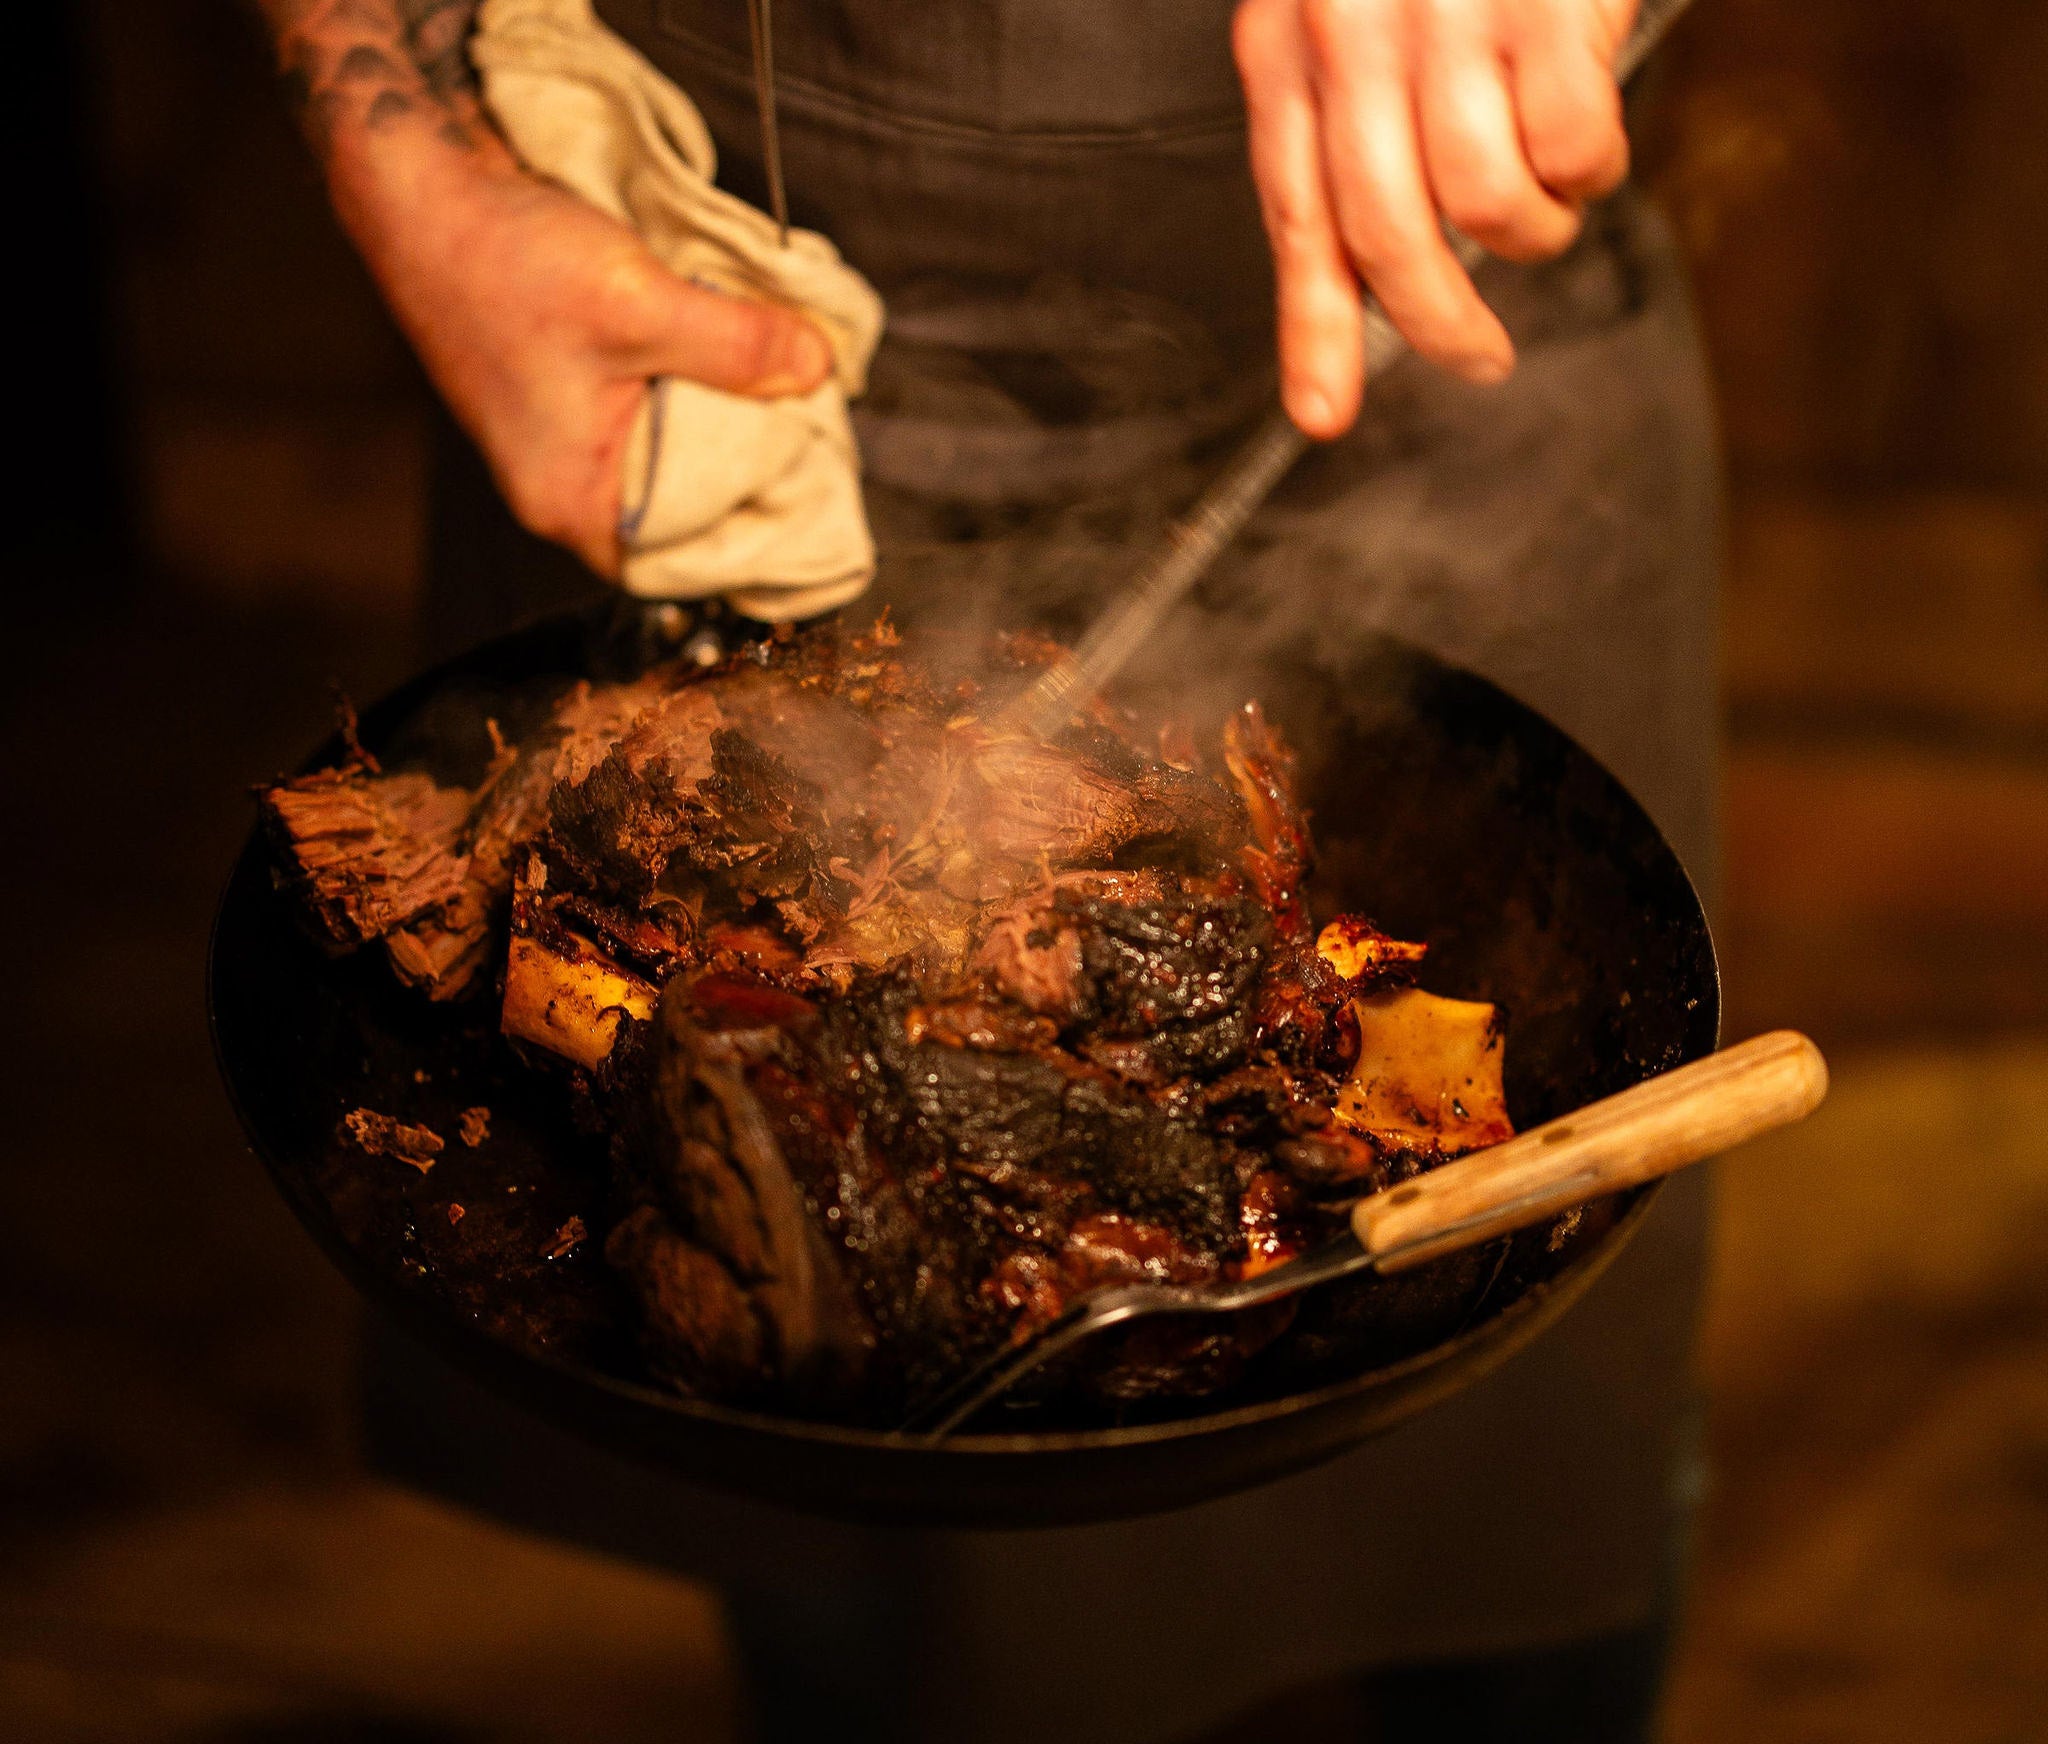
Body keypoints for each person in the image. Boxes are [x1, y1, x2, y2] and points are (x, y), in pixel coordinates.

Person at [256, 1, 1719, 1739]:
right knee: (865, 1534)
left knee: (1517, 1487)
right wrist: (395, 137)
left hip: (1431, 279)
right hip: (694, 283)